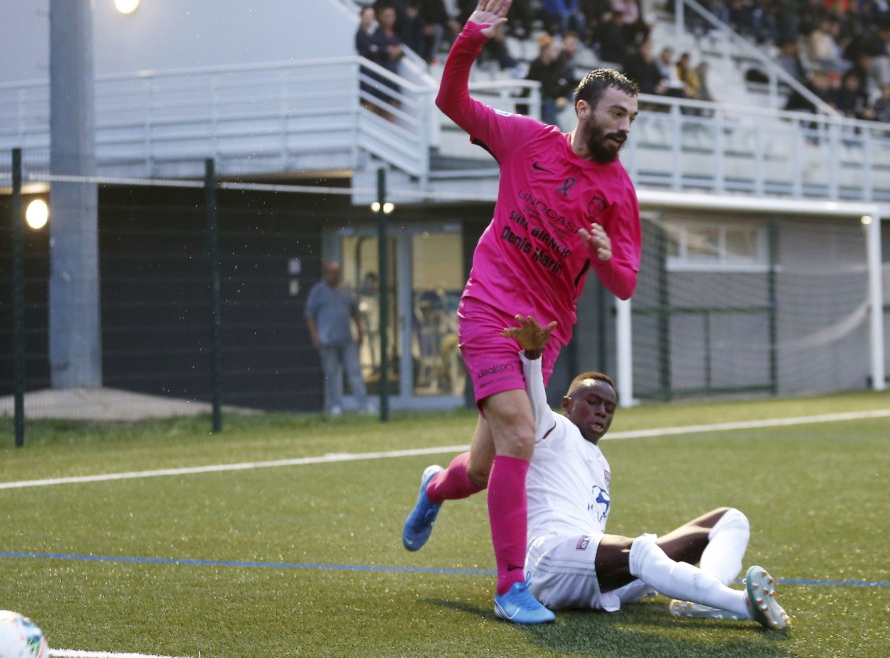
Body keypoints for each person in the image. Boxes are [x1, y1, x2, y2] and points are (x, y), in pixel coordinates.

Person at [401, 0, 642, 625]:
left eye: (632, 118)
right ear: (582, 110)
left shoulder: (618, 192)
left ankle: (435, 488)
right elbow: (451, 102)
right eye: (617, 113)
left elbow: (624, 284)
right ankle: (512, 586)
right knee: (519, 434)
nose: (624, 126)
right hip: (489, 308)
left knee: (483, 468)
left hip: (546, 334)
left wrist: (608, 255)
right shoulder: (525, 141)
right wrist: (473, 35)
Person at [504, 314, 791, 628]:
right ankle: (743, 604)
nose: (602, 410)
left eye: (609, 408)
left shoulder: (601, 463)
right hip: (551, 562)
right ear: (567, 404)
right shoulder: (552, 430)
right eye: (593, 401)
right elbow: (532, 404)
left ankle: (702, 599)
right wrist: (531, 356)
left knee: (730, 519)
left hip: (591, 571)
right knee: (639, 551)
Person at [304, 261, 371, 416]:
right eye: (331, 272)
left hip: (347, 339)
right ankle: (335, 406)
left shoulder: (346, 291)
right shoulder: (318, 292)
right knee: (332, 374)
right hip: (327, 340)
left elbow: (355, 313)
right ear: (325, 274)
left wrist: (360, 332)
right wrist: (315, 335)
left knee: (355, 373)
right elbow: (309, 315)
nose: (334, 275)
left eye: (337, 272)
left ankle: (363, 405)